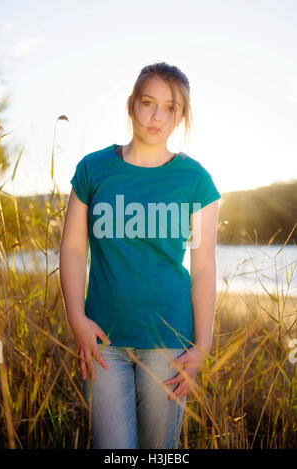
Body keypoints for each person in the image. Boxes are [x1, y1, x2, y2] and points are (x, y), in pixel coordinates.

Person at [59, 62, 221, 449]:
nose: (157, 116)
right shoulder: (93, 169)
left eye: (171, 108)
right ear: (131, 104)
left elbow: (203, 267)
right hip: (102, 341)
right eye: (149, 102)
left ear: (182, 116)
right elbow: (72, 247)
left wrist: (203, 345)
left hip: (169, 341)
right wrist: (76, 317)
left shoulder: (195, 179)